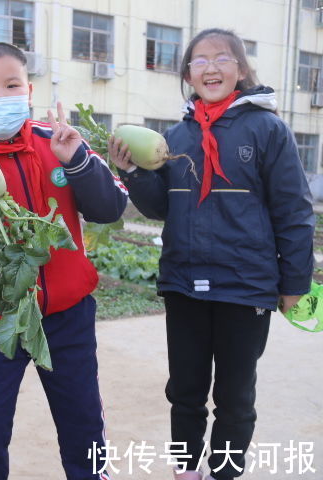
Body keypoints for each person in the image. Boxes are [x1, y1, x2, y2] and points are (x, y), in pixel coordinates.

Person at [108, 28, 314, 480]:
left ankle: (223, 472)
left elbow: (294, 211)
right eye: (200, 60)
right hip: (184, 283)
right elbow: (162, 207)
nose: (211, 67)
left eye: (223, 58)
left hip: (246, 287)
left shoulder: (268, 129)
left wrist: (295, 283)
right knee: (184, 391)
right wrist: (132, 172)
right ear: (187, 74)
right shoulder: (174, 137)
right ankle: (186, 471)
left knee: (235, 397)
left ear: (240, 71)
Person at [0, 42, 128, 480]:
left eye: (11, 85)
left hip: (67, 316)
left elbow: (113, 206)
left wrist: (77, 161)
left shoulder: (56, 140)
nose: (0, 95)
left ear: (29, 91)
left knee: (83, 425)